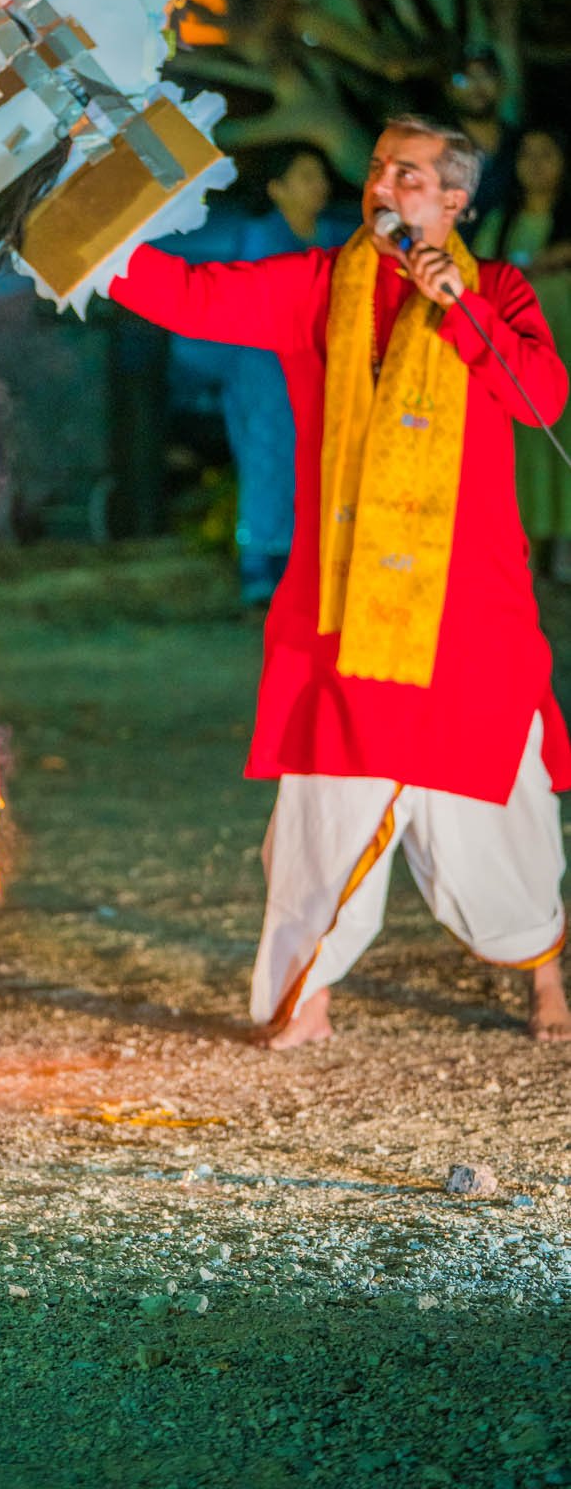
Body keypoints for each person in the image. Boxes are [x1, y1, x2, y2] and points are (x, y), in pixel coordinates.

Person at [107, 115, 571, 1046]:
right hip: (344, 606)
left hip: (469, 612)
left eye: (407, 175)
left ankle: (545, 976)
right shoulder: (323, 286)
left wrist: (460, 310)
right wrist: (82, 243)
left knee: (502, 801)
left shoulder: (499, 290)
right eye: (377, 169)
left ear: (454, 202)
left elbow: (539, 397)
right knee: (325, 800)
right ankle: (305, 991)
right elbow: (195, 295)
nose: (381, 187)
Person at [221, 144, 352, 605]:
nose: (319, 185)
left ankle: (308, 571)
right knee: (268, 463)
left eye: (321, 175)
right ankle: (259, 569)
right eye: (305, 175)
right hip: (268, 374)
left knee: (318, 467)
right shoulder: (262, 239)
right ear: (276, 189)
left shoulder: (336, 236)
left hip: (322, 372)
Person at [477, 127, 571, 579]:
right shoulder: (499, 223)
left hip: (566, 364)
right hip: (520, 374)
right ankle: (525, 568)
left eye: (547, 154)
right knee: (525, 464)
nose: (536, 164)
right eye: (527, 155)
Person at [450, 42, 515, 229]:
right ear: (450, 88)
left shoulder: (521, 145)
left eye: (486, 76)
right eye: (464, 78)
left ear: (502, 83)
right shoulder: (435, 148)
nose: (477, 86)